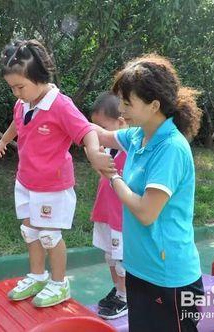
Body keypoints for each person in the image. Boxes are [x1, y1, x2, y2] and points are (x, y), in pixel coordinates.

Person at [0, 39, 113, 308]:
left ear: (39, 78)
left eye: (20, 87)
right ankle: (37, 275)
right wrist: (4, 140)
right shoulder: (24, 103)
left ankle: (60, 284)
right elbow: (16, 122)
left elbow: (87, 131)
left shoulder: (60, 105)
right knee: (29, 231)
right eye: (12, 87)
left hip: (52, 186)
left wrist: (94, 153)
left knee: (49, 235)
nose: (16, 93)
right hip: (25, 181)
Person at [95, 54, 204, 331]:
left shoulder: (171, 148)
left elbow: (146, 212)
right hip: (140, 267)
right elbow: (101, 135)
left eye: (127, 102)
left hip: (170, 279)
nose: (120, 109)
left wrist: (112, 177)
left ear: (154, 105)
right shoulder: (138, 134)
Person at [89, 92, 129, 319]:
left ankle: (126, 297)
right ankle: (119, 290)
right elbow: (102, 174)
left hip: (120, 216)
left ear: (121, 123)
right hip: (105, 211)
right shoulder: (107, 149)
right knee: (110, 256)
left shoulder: (130, 150)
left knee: (121, 258)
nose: (98, 133)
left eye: (102, 128)